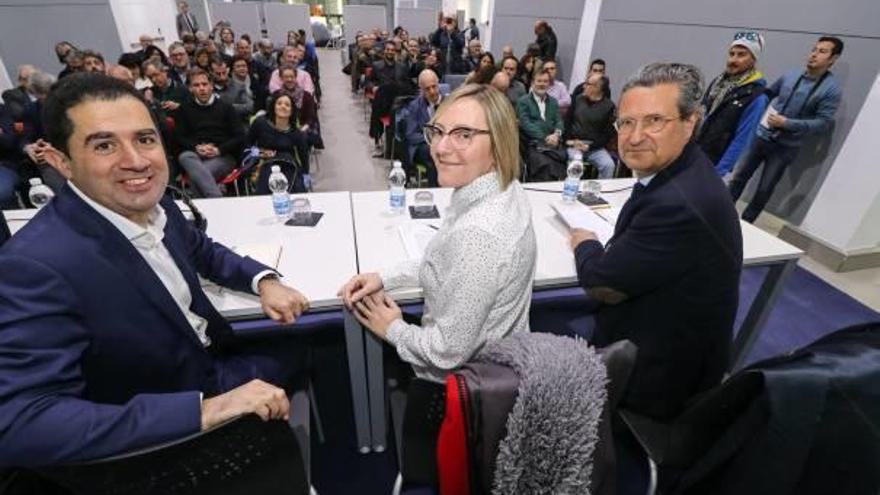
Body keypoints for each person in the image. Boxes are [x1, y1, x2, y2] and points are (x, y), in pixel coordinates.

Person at [0, 72, 310, 466]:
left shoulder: (155, 207)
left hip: (206, 358)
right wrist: (205, 410)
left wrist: (263, 279)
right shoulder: (33, 265)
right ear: (63, 162)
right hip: (167, 417)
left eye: (145, 139)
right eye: (104, 145)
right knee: (316, 344)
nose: (136, 161)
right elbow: (20, 422)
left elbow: (205, 251)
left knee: (308, 337)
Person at [568, 63, 742, 420]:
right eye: (626, 123)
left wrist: (583, 242)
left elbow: (601, 283)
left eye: (654, 121)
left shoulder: (678, 205)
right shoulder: (681, 170)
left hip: (657, 374)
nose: (633, 137)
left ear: (690, 123)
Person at [340, 82, 536, 387]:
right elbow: (442, 261)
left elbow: (446, 352)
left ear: (498, 146)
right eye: (438, 131)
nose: (440, 148)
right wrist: (385, 277)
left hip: (461, 391)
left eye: (463, 135)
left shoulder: (477, 234)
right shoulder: (504, 188)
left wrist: (392, 327)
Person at [728, 36, 844, 223]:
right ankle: (719, 216)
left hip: (785, 147)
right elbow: (768, 94)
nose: (814, 54)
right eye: (814, 49)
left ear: (833, 59)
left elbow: (823, 123)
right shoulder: (791, 75)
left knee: (765, 189)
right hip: (761, 137)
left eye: (822, 51)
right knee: (738, 178)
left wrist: (788, 123)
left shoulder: (831, 90)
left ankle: (746, 226)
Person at [696, 31, 769, 178]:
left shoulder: (757, 96)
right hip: (694, 153)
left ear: (753, 59)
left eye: (741, 55)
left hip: (713, 164)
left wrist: (719, 173)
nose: (733, 59)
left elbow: (742, 140)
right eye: (732, 54)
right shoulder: (718, 83)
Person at [175, 68, 245, 198]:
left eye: (205, 84)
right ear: (190, 88)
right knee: (185, 157)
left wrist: (219, 149)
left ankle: (210, 205)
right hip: (195, 154)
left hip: (223, 156)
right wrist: (197, 147)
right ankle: (217, 199)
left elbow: (240, 136)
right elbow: (179, 137)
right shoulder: (184, 109)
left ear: (211, 86)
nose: (202, 88)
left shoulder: (227, 108)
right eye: (196, 85)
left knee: (196, 175)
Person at [247, 91, 310, 193]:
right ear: (273, 106)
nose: (283, 107)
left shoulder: (297, 133)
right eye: (279, 103)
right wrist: (259, 153)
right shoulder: (260, 123)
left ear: (291, 111)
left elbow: (304, 156)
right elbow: (247, 145)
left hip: (289, 164)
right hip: (265, 162)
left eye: (287, 105)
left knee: (295, 185)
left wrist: (306, 174)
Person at [564, 73, 617, 178]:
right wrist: (571, 141)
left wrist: (590, 146)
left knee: (608, 165)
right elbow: (567, 122)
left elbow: (607, 134)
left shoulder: (609, 106)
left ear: (598, 88)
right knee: (575, 162)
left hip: (594, 147)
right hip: (575, 143)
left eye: (588, 84)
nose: (584, 86)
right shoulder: (578, 99)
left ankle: (601, 192)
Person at [517, 69, 565, 180]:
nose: (542, 84)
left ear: (549, 84)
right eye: (539, 81)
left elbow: (559, 121)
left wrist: (556, 134)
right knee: (545, 165)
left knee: (561, 162)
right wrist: (545, 137)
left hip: (553, 144)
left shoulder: (553, 102)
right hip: (532, 144)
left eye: (545, 81)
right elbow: (526, 124)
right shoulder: (523, 101)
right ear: (532, 83)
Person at [402, 70, 443, 186]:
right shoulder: (415, 106)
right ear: (421, 90)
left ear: (438, 83)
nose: (432, 91)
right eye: (427, 89)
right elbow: (410, 135)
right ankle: (435, 191)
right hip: (423, 146)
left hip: (446, 143)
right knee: (433, 155)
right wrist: (430, 137)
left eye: (434, 87)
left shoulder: (449, 103)